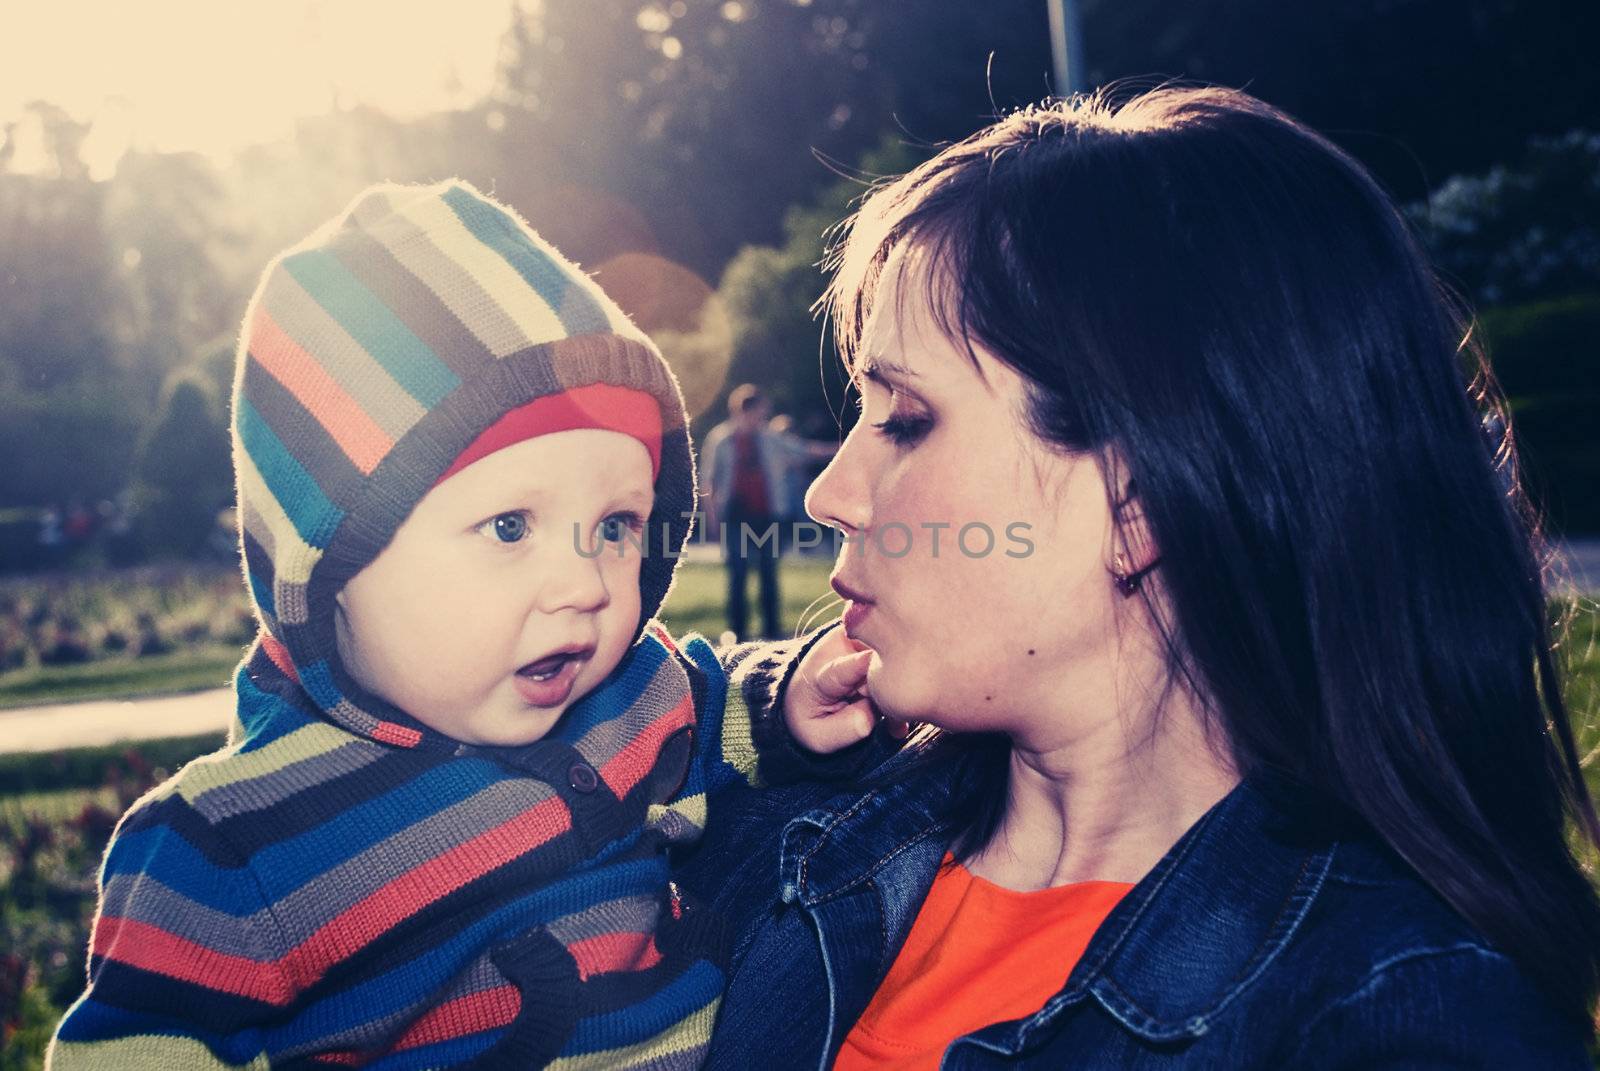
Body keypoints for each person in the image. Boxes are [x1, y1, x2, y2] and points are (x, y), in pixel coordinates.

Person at [680, 87, 1600, 1068]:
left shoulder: (1398, 1021)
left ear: (1138, 507)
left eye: (905, 420)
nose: (830, 491)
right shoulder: (763, 844)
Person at [47, 181, 880, 1069]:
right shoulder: (232, 843)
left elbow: (716, 699)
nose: (584, 585)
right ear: (330, 565)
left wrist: (791, 697)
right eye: (510, 528)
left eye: (614, 527)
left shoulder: (632, 695)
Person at [702, 385, 834, 639]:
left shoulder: (769, 439)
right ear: (743, 411)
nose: (761, 419)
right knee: (737, 576)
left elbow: (802, 451)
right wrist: (713, 519)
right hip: (736, 518)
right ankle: (738, 633)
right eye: (758, 413)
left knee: (768, 575)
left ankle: (771, 631)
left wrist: (839, 449)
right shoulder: (721, 441)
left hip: (767, 517)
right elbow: (709, 482)